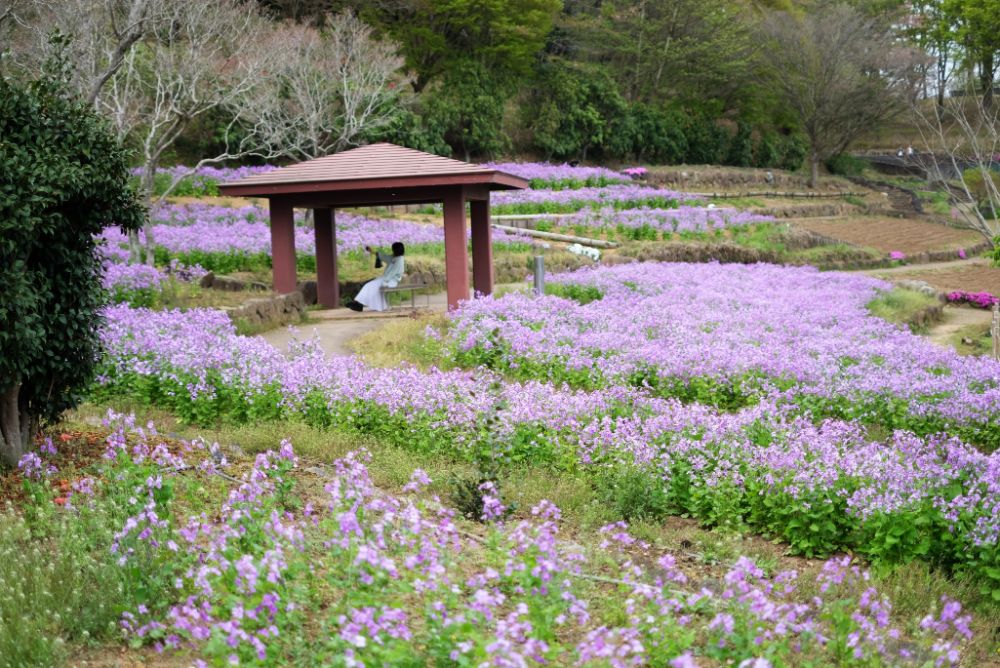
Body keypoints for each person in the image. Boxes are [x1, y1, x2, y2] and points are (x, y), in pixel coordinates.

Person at [346, 242, 405, 312]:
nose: (392, 251)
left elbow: (392, 273)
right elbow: (384, 257)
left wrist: (384, 281)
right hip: (386, 279)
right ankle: (359, 303)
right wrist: (371, 251)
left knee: (369, 286)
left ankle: (358, 303)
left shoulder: (399, 260)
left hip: (391, 281)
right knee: (370, 285)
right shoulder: (394, 257)